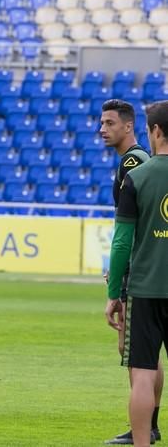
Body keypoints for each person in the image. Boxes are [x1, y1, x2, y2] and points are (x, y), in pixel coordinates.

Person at [105, 100, 168, 447]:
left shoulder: (137, 177)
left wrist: (114, 292)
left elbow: (120, 243)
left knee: (142, 374)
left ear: (155, 131)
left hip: (145, 288)